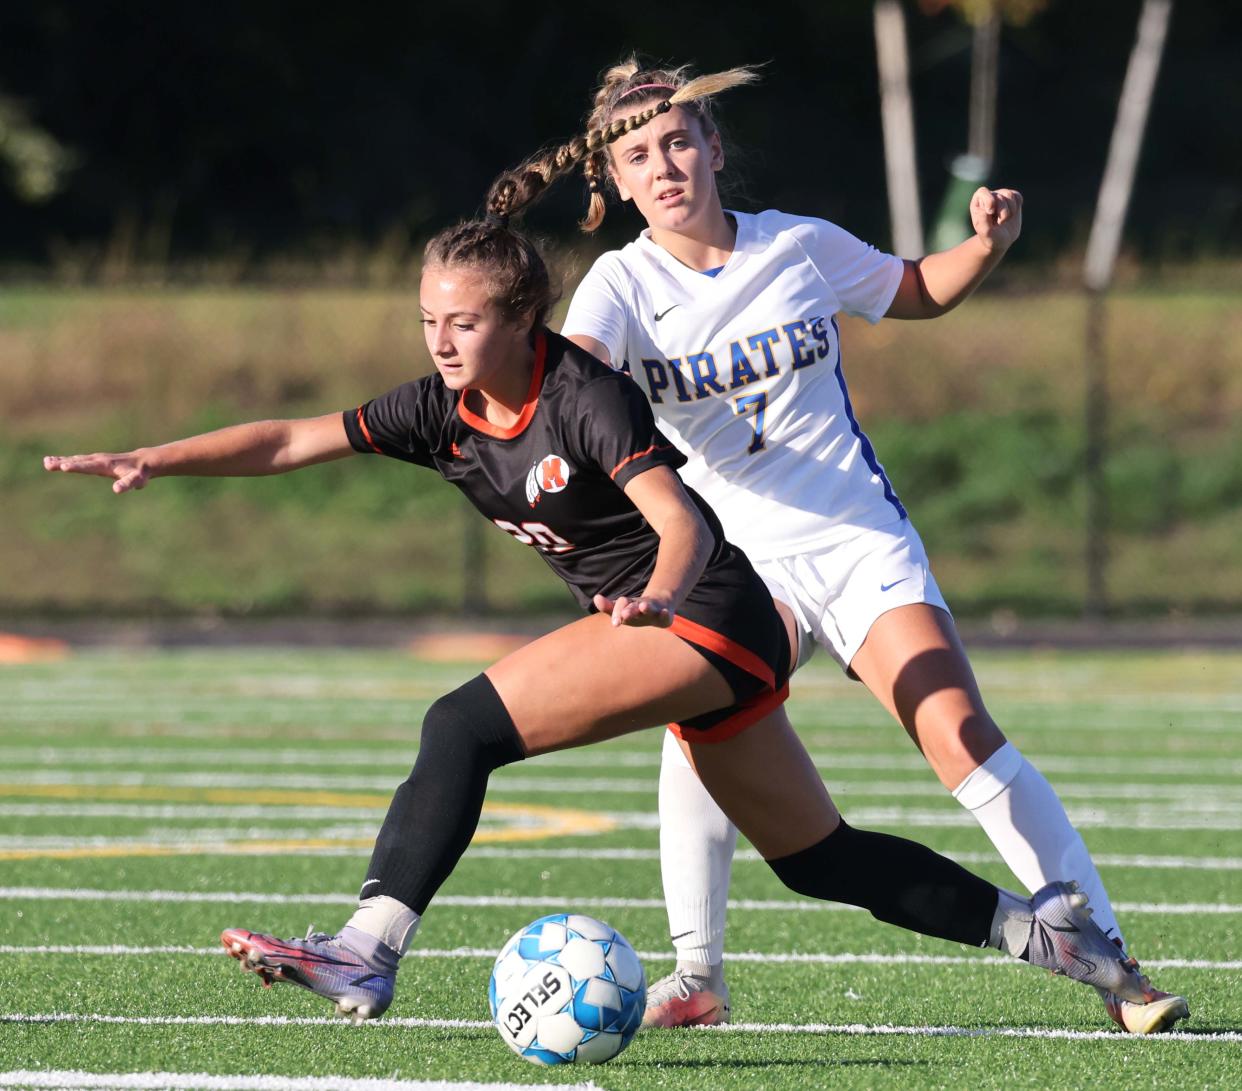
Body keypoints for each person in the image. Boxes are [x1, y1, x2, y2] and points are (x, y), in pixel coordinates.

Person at [43, 125, 1154, 1028]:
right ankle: (1050, 937)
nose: (439, 339)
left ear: (522, 319)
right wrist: (159, 456)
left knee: (459, 724)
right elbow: (290, 439)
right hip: (720, 636)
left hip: (704, 613)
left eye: (463, 321)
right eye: (428, 320)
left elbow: (677, 519)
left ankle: (364, 950)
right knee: (823, 861)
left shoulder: (582, 391)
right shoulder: (441, 404)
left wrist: (662, 598)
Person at [551, 58, 1189, 1036]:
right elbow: (574, 384)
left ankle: (1116, 967)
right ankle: (700, 973)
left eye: (680, 140)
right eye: (638, 154)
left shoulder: (797, 246)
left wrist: (987, 244)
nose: (665, 163)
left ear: (715, 148)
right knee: (699, 731)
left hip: (853, 540)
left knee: (958, 733)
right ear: (617, 183)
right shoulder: (620, 284)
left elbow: (917, 289)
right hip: (733, 565)